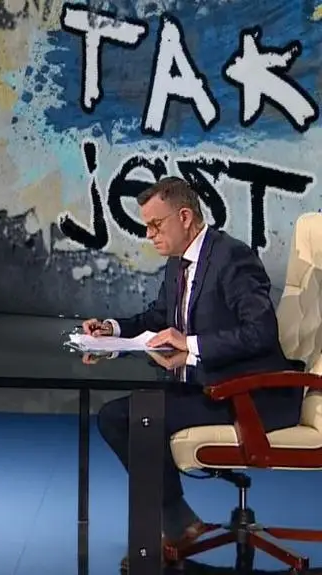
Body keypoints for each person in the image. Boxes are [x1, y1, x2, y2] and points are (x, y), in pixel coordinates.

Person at [80, 177, 302, 563]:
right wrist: (111, 331)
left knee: (136, 417)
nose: (148, 234)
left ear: (185, 217)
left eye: (155, 225)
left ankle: (170, 527)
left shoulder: (232, 258)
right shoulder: (178, 263)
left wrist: (191, 344)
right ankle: (179, 519)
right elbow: (159, 317)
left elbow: (261, 332)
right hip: (207, 384)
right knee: (116, 415)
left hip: (248, 395)